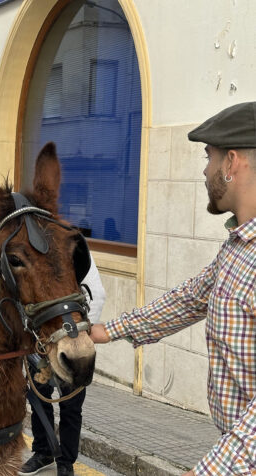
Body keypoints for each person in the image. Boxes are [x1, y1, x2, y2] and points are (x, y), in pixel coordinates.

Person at [90, 102, 256, 476]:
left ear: (231, 164)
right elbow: (187, 300)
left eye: (208, 157)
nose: (204, 169)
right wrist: (108, 331)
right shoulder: (238, 248)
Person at [19, 254, 105, 476]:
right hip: (41, 344)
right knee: (39, 400)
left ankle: (66, 462)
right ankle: (43, 451)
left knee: (71, 407)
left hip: (70, 346)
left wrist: (76, 335)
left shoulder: (75, 251)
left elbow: (97, 294)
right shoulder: (32, 253)